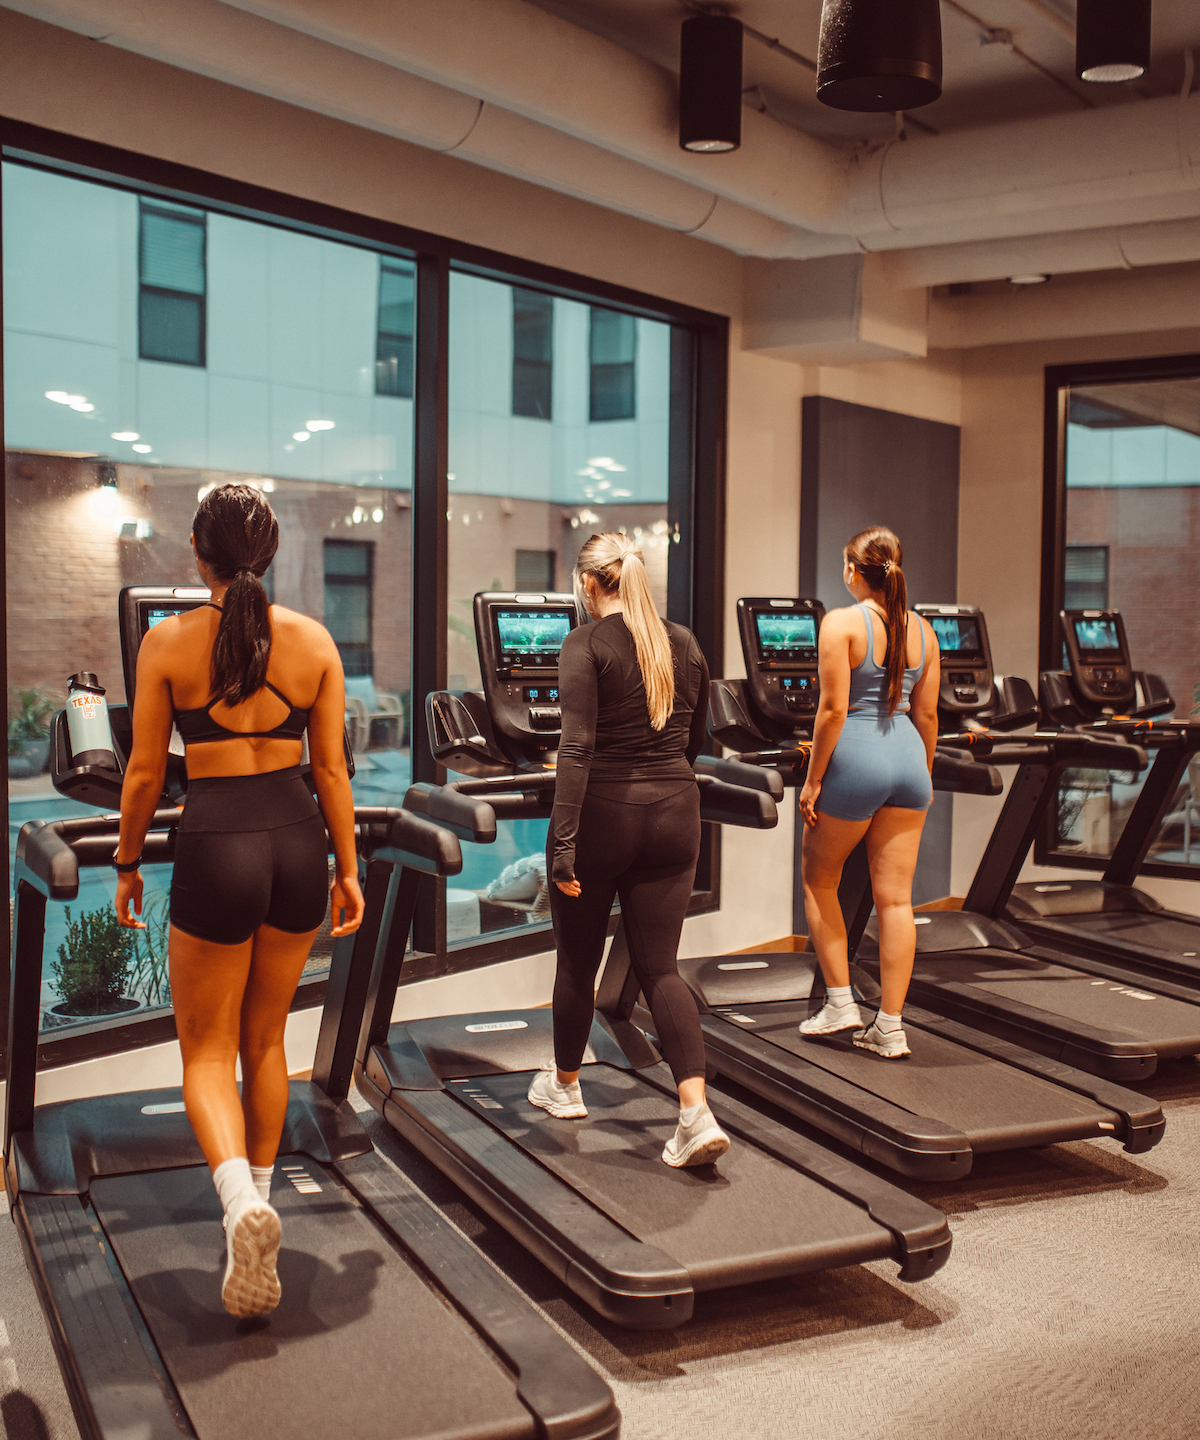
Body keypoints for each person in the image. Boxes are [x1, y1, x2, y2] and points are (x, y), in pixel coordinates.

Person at [113, 483, 364, 1318]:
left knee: (205, 1051)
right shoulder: (314, 641)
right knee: (267, 1040)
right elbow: (331, 772)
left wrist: (125, 861)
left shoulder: (168, 645)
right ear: (270, 554)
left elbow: (147, 773)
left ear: (197, 548)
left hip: (217, 843)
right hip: (298, 839)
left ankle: (237, 1206)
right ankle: (261, 1200)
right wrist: (348, 869)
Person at [526, 532, 730, 1167]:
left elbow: (576, 750)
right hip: (676, 810)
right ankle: (695, 1114)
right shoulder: (684, 641)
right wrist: (661, 783)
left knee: (576, 962)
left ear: (589, 584)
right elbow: (696, 737)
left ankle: (564, 1086)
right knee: (661, 969)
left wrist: (560, 846)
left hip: (604, 817)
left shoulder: (584, 643)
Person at [796, 526, 940, 1059]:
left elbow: (832, 712)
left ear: (854, 571)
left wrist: (814, 780)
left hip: (856, 759)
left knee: (819, 879)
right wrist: (919, 775)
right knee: (896, 900)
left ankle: (839, 1003)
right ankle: (891, 1026)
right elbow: (926, 715)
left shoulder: (840, 624)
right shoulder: (924, 631)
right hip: (907, 759)